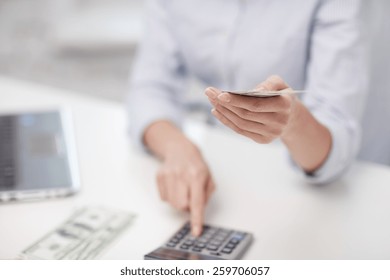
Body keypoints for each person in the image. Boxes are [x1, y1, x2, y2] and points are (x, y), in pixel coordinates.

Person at [127, 0, 368, 236]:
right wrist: (176, 147)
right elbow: (150, 87)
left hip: (302, 189)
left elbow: (337, 140)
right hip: (218, 168)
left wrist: (293, 122)